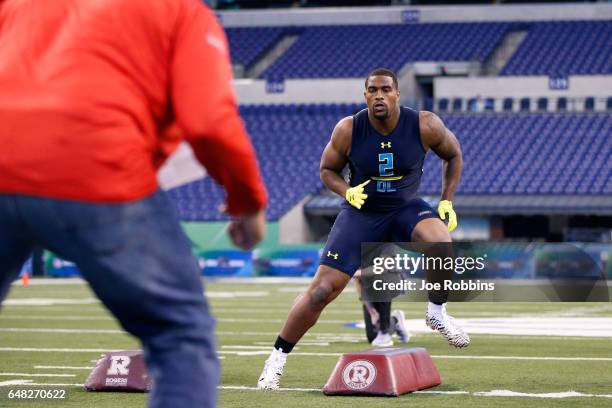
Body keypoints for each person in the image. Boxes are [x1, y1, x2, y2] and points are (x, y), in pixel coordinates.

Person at [0, 1, 267, 407]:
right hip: (97, 171)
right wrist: (247, 204)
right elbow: (210, 122)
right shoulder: (181, 12)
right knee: (180, 337)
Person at [258, 68, 468, 390]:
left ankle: (437, 312)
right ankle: (277, 357)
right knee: (321, 291)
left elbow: (453, 155)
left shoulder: (424, 124)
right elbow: (327, 169)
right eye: (372, 90)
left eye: (385, 89)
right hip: (362, 213)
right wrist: (346, 191)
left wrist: (446, 201)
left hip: (404, 208)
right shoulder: (349, 129)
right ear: (365, 95)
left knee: (440, 240)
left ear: (398, 94)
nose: (379, 95)